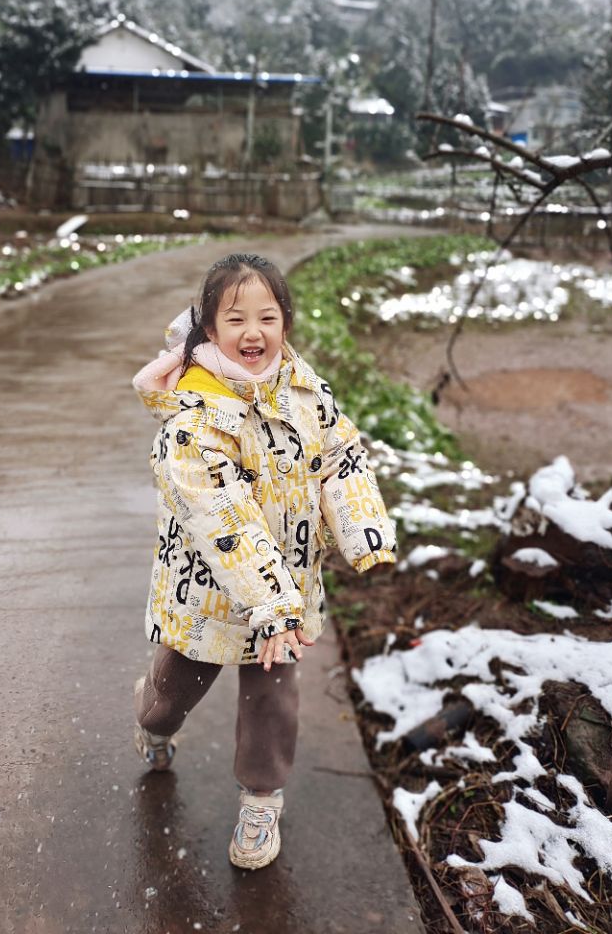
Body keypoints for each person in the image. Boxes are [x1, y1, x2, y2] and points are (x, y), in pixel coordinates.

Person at [131, 252, 396, 870]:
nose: (254, 333)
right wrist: (270, 602)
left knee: (273, 702)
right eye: (236, 319)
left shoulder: (305, 389)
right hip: (208, 594)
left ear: (285, 322)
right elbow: (224, 519)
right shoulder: (192, 420)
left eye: (268, 318)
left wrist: (363, 533)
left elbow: (341, 456)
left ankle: (260, 799)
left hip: (287, 593)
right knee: (172, 695)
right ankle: (152, 721)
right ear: (209, 328)